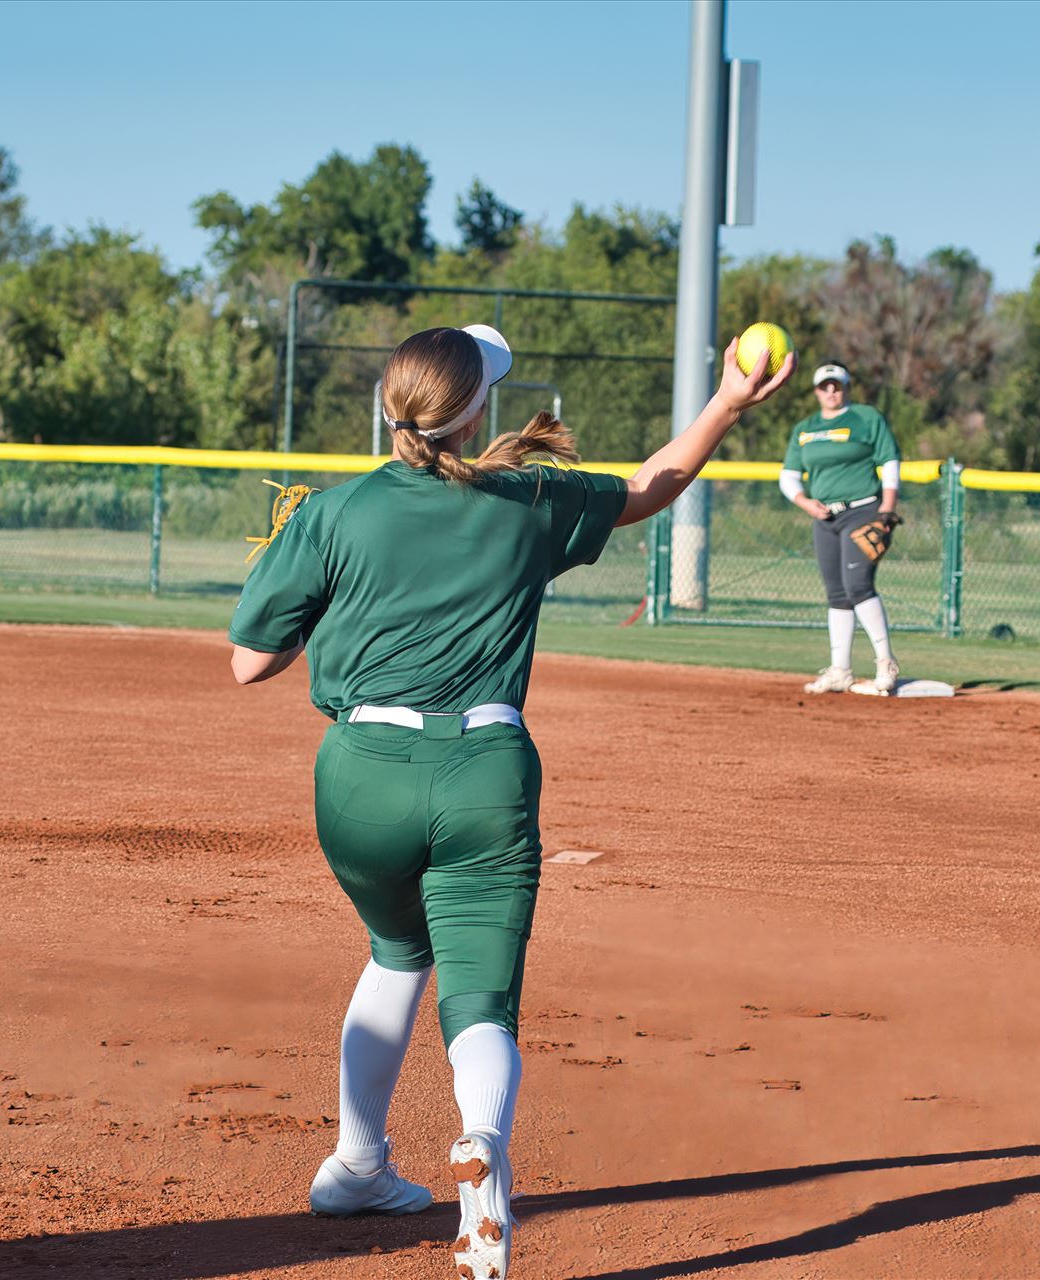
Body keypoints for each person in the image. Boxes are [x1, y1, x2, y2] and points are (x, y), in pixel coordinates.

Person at [229, 324, 793, 1278]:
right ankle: (480, 1145)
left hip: (360, 773)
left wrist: (331, 599)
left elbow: (250, 663)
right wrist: (727, 404)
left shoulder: (334, 515)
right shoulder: (530, 500)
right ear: (476, 412)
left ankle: (358, 1163)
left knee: (396, 951)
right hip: (486, 772)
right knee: (480, 997)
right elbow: (655, 484)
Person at [778, 361, 904, 695]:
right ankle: (840, 670)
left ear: (847, 388)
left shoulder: (865, 418)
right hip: (825, 518)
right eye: (825, 386)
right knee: (836, 593)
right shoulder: (805, 428)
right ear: (816, 391)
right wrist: (805, 503)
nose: (831, 391)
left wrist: (888, 508)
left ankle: (885, 663)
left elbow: (889, 460)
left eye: (837, 385)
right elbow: (789, 475)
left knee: (858, 586)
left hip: (863, 510)